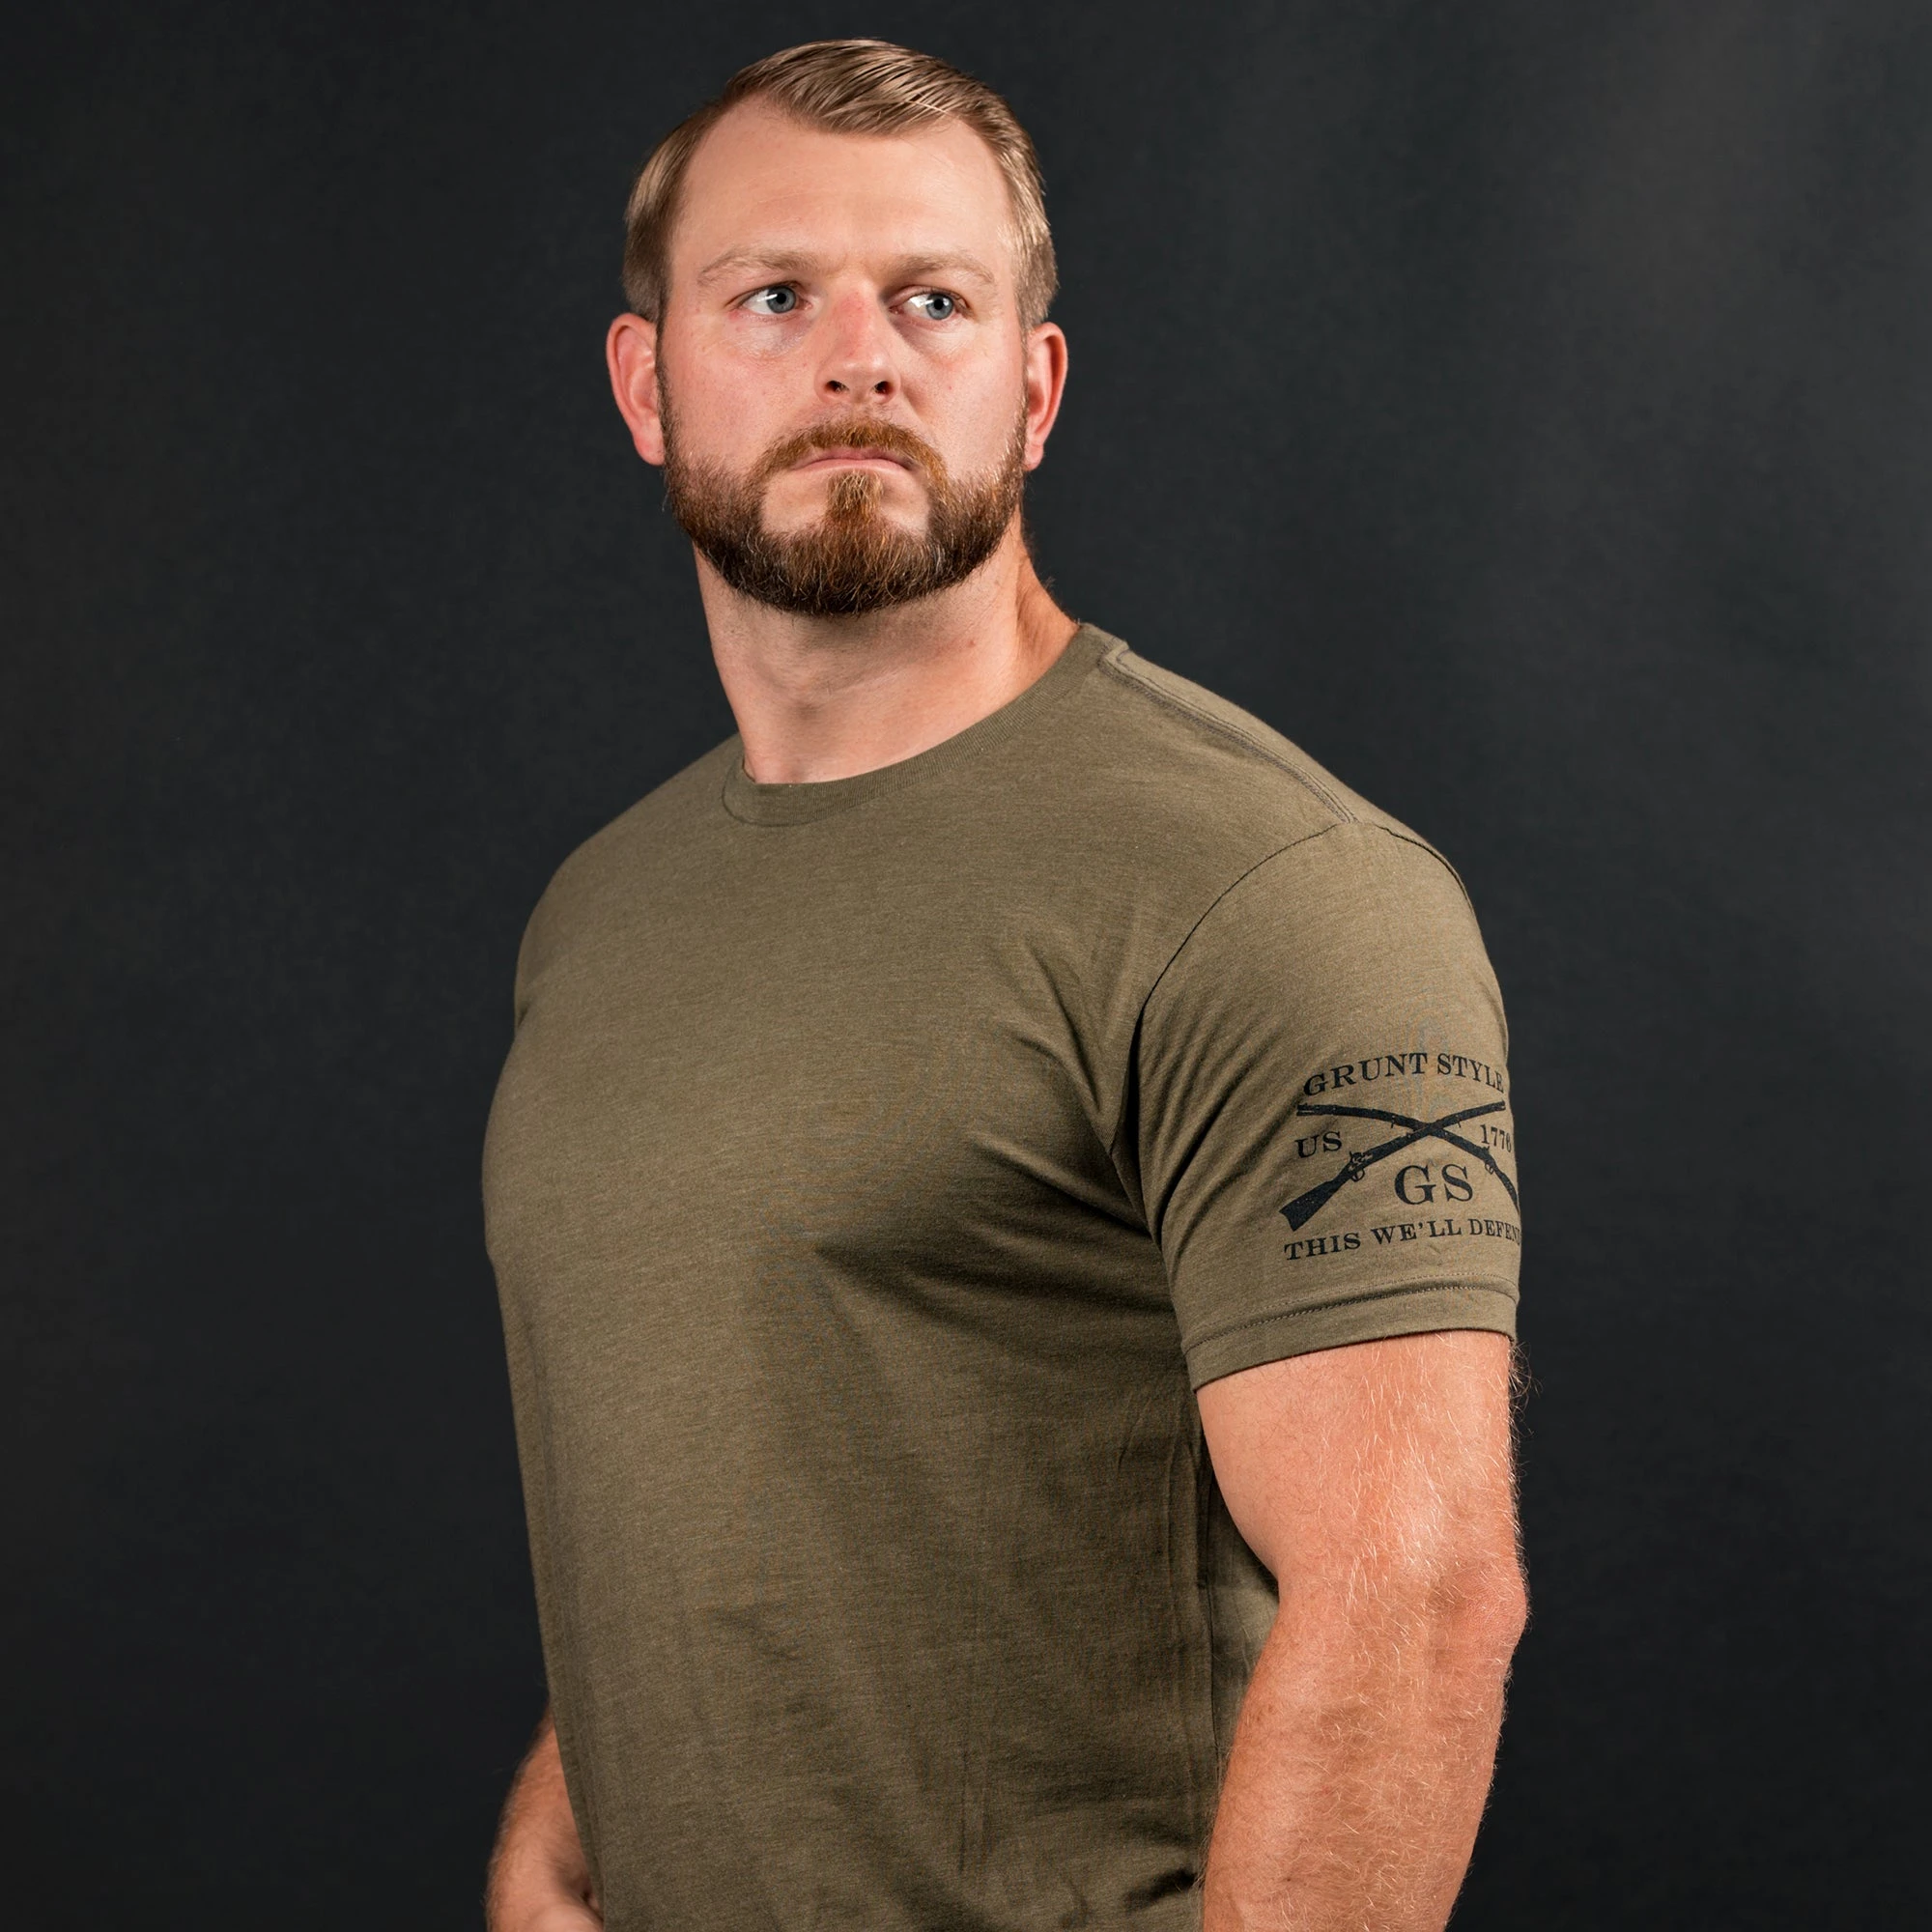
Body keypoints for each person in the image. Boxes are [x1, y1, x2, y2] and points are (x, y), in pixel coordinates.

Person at [481, 38, 1526, 1932]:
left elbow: (1416, 1599)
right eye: (775, 295)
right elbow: (750, 1478)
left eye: (933, 301)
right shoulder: (602, 912)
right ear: (647, 384)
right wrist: (564, 1836)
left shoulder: (1273, 890)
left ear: (1032, 392)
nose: (859, 360)